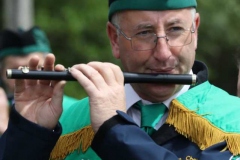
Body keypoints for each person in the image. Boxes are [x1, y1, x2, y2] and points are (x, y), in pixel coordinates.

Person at [1, 0, 240, 160]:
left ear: (195, 30)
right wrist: (28, 136)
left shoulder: (234, 122)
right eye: (144, 33)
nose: (164, 53)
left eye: (175, 29)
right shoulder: (69, 121)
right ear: (114, 38)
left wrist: (115, 129)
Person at [0, 27, 78, 135]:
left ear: (51, 67)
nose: (27, 78)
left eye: (36, 69)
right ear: (2, 74)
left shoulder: (78, 112)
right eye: (16, 71)